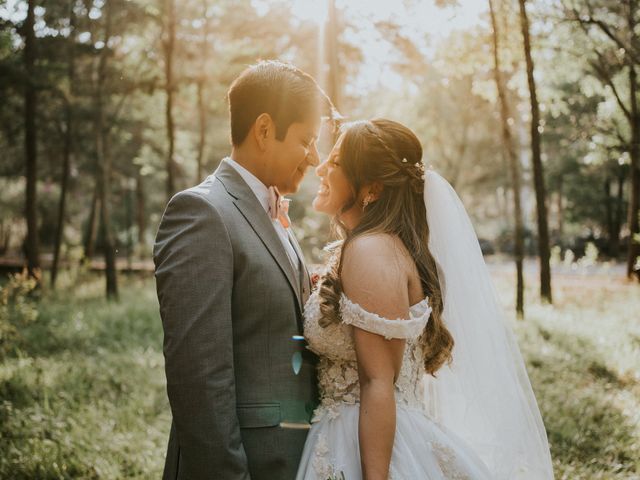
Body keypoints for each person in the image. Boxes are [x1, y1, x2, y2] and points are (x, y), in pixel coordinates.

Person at [296, 119, 554, 479]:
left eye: (336, 162)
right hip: (352, 432)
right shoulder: (375, 246)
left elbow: (377, 382)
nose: (320, 168)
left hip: (368, 447)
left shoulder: (371, 250)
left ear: (371, 189)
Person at [153, 60, 334, 480]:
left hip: (290, 459)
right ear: (265, 129)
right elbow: (198, 378)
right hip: (239, 464)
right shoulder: (201, 212)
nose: (315, 157)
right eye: (307, 139)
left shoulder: (275, 216)